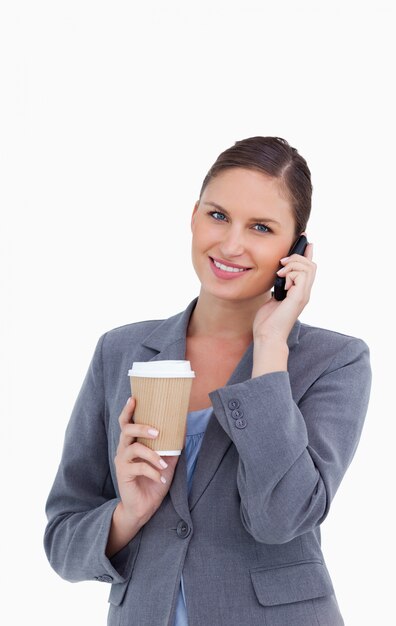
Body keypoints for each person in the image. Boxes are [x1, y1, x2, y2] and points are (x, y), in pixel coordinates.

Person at [44, 136, 371, 625]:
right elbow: (63, 542)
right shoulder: (120, 352)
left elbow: (281, 518)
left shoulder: (335, 361)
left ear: (296, 250)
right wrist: (127, 514)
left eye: (261, 227)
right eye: (218, 216)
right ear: (194, 215)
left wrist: (271, 350)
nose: (232, 244)